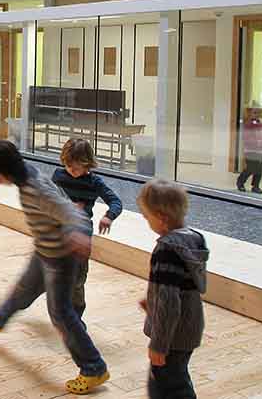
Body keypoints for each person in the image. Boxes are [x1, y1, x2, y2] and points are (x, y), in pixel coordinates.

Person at [0, 140, 110, 395]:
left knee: (61, 313)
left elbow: (71, 212)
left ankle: (94, 368)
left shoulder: (35, 189)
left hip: (60, 258)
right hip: (44, 250)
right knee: (23, 289)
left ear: (1, 175)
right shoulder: (28, 174)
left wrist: (79, 233)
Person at [137, 179, 209, 399]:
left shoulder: (166, 250)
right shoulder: (194, 240)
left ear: (161, 218)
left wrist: (159, 345)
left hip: (172, 337)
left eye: (147, 216)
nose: (146, 220)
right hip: (190, 326)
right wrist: (153, 302)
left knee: (171, 386)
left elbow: (169, 302)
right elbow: (182, 286)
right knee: (166, 380)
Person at [51, 138, 124, 318]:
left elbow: (115, 201)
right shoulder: (58, 176)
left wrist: (109, 216)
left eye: (75, 168)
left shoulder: (94, 182)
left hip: (81, 235)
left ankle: (76, 316)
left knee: (78, 279)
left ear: (87, 164)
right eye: (68, 166)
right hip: (59, 233)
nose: (71, 171)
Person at [236, 108, 262, 194]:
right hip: (250, 150)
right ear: (251, 114)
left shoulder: (261, 125)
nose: (256, 115)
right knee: (251, 168)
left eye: (258, 113)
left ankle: (255, 186)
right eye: (254, 113)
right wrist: (257, 142)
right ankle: (240, 182)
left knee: (259, 169)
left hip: (260, 150)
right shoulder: (248, 125)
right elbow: (246, 138)